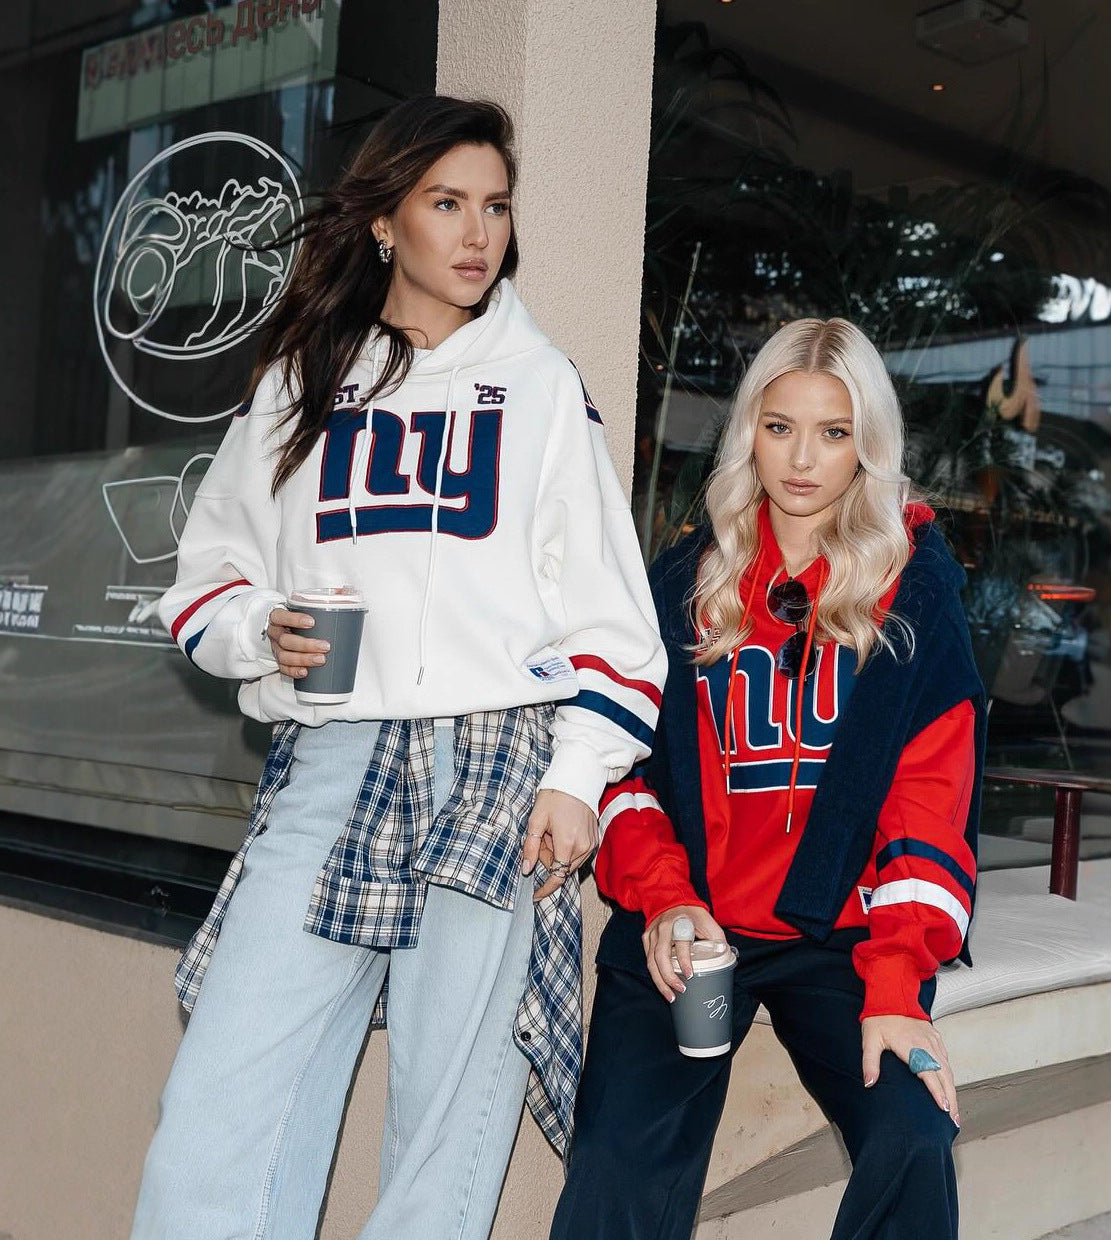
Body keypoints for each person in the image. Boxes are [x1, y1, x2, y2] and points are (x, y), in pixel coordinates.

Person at [131, 96, 665, 1240]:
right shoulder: (302, 380)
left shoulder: (538, 386)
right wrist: (258, 627)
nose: (478, 233)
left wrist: (577, 775)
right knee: (221, 1108)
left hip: (498, 764)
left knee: (445, 1138)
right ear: (383, 221)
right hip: (333, 754)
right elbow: (205, 578)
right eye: (446, 203)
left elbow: (615, 621)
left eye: (495, 207)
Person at [550, 318, 986, 1240]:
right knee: (617, 1164)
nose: (803, 459)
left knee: (914, 1137)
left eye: (834, 433)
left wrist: (897, 982)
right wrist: (665, 898)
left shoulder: (911, 594)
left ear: (867, 445)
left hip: (840, 939)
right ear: (750, 428)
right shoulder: (684, 582)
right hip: (693, 930)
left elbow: (930, 806)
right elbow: (622, 768)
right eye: (780, 426)